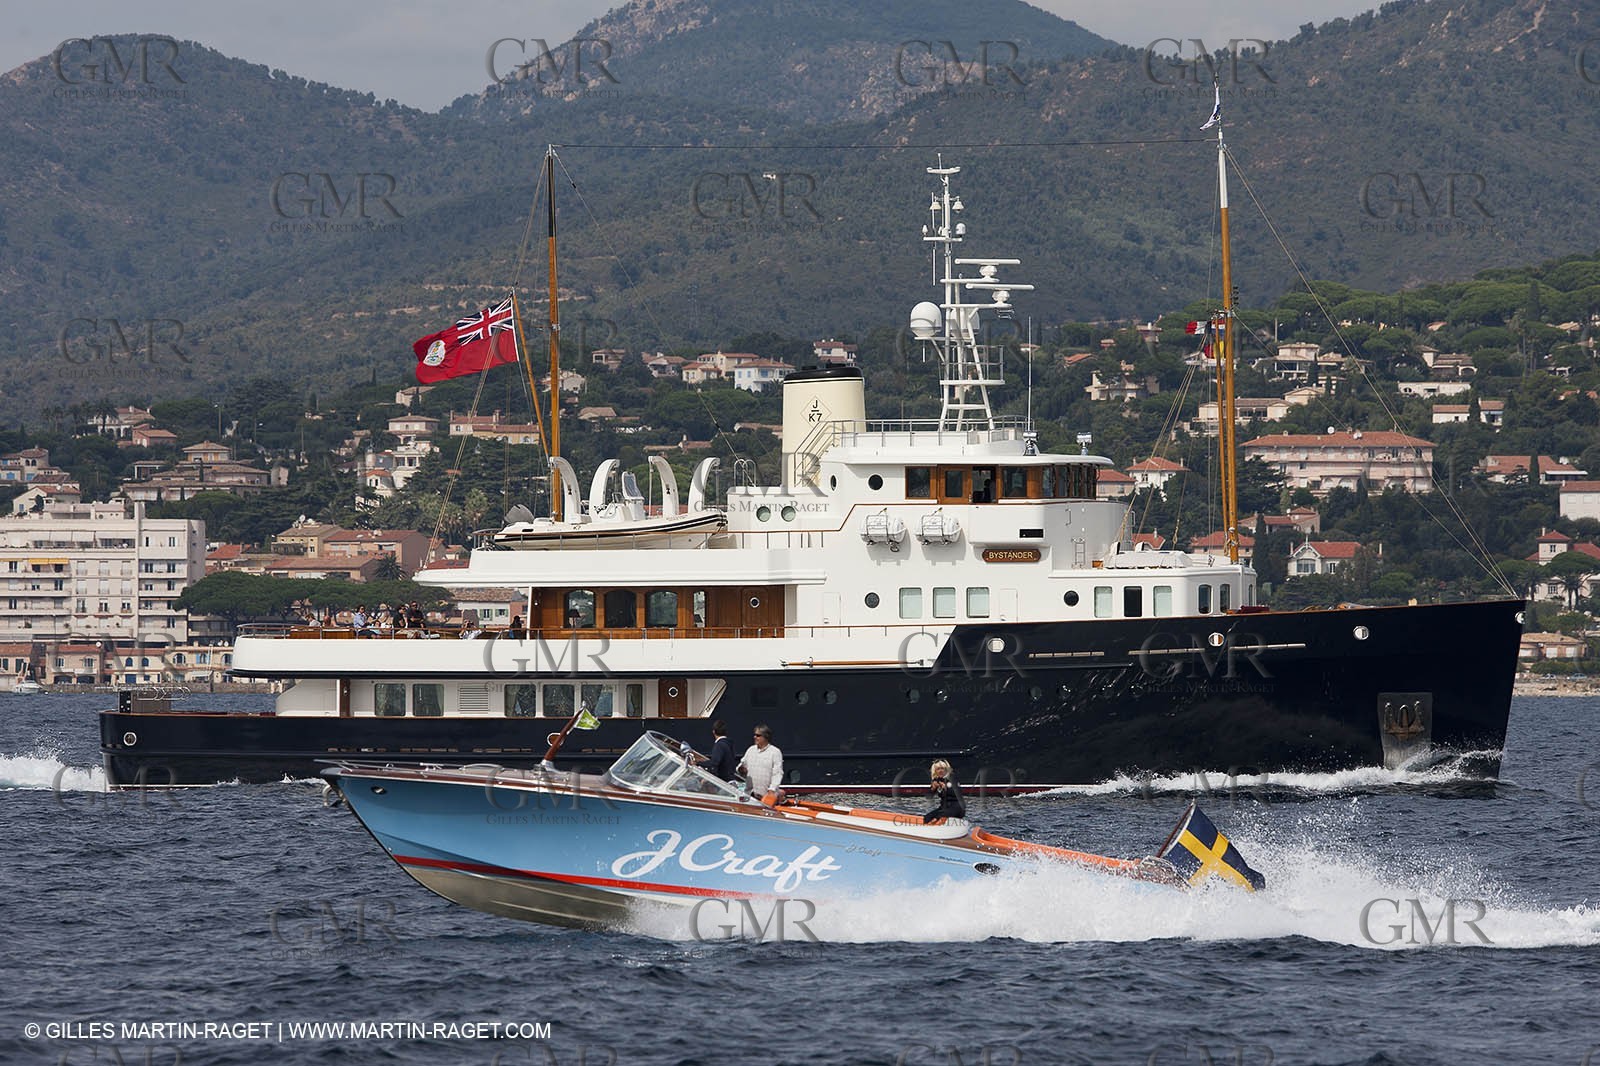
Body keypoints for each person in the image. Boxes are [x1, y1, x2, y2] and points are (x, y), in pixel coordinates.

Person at [739, 724, 784, 803]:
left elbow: (777, 773)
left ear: (765, 737)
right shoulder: (750, 750)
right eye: (754, 735)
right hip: (750, 795)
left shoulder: (775, 752)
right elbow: (742, 765)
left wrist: (772, 790)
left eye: (758, 735)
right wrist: (741, 769)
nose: (755, 737)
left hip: (766, 796)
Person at [922, 759, 965, 823]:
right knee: (927, 817)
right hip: (944, 807)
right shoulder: (936, 781)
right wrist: (933, 789)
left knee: (939, 817)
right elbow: (928, 796)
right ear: (935, 771)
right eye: (938, 769)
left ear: (946, 770)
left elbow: (958, 793)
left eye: (942, 769)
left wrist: (946, 788)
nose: (940, 771)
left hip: (957, 807)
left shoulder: (952, 778)